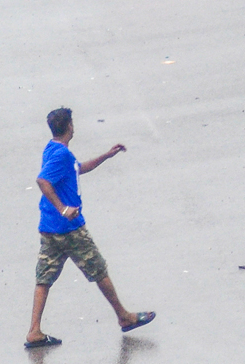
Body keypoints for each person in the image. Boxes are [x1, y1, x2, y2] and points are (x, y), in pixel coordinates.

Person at [26, 108, 153, 349]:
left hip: (49, 228)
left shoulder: (53, 149)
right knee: (98, 269)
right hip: (69, 228)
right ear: (70, 127)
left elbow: (78, 168)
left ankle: (34, 331)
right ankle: (124, 317)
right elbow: (42, 180)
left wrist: (106, 155)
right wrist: (64, 208)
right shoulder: (60, 154)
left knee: (44, 278)